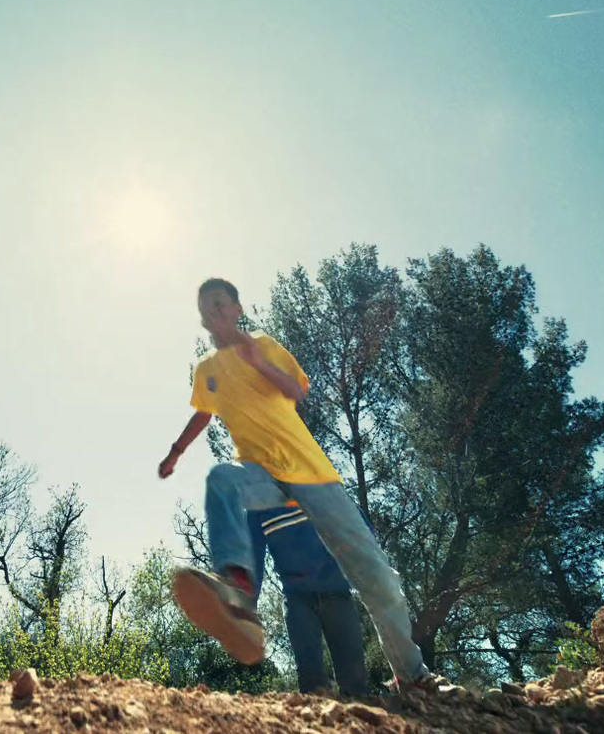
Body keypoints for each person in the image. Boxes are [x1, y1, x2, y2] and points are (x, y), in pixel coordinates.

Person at [157, 277, 438, 692]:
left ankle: (412, 675)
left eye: (220, 304)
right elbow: (204, 413)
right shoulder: (206, 370)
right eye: (206, 308)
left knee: (378, 579)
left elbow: (297, 390)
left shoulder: (265, 345)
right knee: (223, 479)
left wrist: (258, 362)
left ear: (237, 307)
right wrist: (176, 451)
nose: (213, 314)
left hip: (313, 475)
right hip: (261, 474)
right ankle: (237, 596)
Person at [248, 502, 369, 696]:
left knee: (355, 680)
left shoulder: (314, 487)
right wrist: (247, 611)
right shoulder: (258, 507)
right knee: (311, 680)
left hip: (337, 592)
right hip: (297, 600)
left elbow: (358, 525)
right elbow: (253, 560)